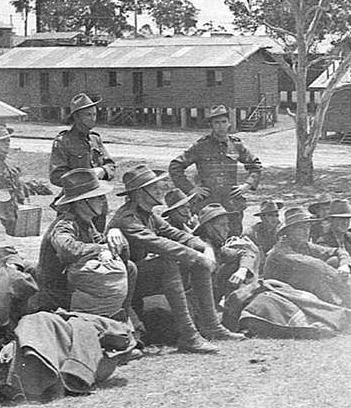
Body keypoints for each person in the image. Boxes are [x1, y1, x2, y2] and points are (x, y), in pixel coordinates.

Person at [108, 164, 231, 353]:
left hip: (137, 276)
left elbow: (178, 235)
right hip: (124, 283)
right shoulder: (128, 219)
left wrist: (205, 248)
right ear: (140, 193)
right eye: (153, 187)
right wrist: (198, 256)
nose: (160, 190)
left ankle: (212, 326)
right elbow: (161, 244)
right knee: (169, 263)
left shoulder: (147, 215)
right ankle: (189, 337)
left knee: (195, 264)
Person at [34, 169, 136, 324]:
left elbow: (107, 246)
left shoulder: (87, 223)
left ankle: (120, 318)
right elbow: (68, 249)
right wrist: (103, 249)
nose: (103, 201)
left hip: (76, 286)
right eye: (98, 198)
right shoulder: (65, 225)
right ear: (82, 202)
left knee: (129, 268)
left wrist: (116, 236)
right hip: (59, 293)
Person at [262, 207, 351, 318]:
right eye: (301, 228)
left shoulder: (304, 245)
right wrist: (340, 275)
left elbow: (337, 251)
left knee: (322, 276)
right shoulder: (282, 251)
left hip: (296, 287)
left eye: (307, 227)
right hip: (278, 290)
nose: (306, 232)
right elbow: (316, 265)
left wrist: (345, 265)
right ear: (289, 232)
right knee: (316, 279)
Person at [168, 105, 263, 236]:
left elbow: (255, 165)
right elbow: (175, 166)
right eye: (216, 123)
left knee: (233, 238)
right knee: (207, 239)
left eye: (224, 122)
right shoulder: (201, 146)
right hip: (208, 204)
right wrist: (191, 190)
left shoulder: (236, 145)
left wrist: (247, 185)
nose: (221, 126)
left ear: (229, 123)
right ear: (211, 125)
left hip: (231, 204)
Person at [50, 93, 116, 231]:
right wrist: (85, 177)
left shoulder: (95, 139)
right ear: (77, 117)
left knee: (98, 240)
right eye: (88, 115)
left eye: (94, 115)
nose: (93, 119)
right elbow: (56, 176)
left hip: (98, 201)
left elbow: (111, 166)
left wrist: (102, 171)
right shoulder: (63, 141)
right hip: (75, 204)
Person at [193, 203, 260, 306]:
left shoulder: (217, 247)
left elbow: (246, 254)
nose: (227, 229)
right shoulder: (198, 247)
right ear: (208, 228)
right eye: (222, 225)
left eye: (227, 224)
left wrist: (242, 270)